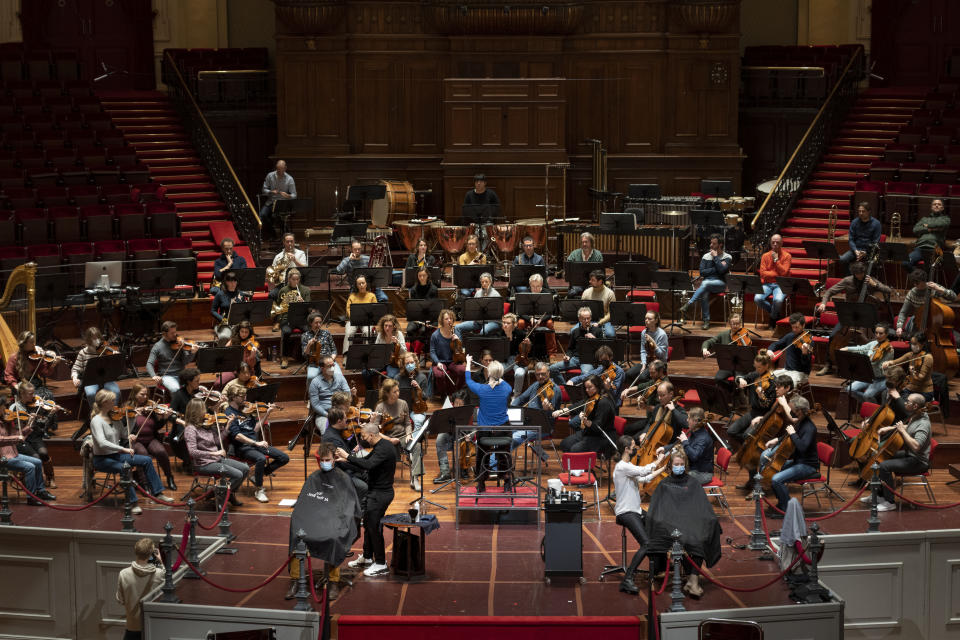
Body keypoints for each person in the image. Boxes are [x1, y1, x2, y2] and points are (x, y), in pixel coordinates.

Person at [287, 441, 361, 601]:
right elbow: (304, 503)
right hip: (313, 521)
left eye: (328, 460)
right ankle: (294, 579)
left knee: (334, 539)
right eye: (322, 460)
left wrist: (336, 521)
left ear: (334, 459)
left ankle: (333, 582)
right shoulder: (314, 477)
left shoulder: (343, 479)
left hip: (333, 522)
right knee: (297, 536)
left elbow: (347, 507)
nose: (324, 463)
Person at [644, 446, 722, 599]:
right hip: (669, 526)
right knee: (684, 539)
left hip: (689, 523)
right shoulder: (664, 484)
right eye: (676, 464)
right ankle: (691, 579)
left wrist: (708, 520)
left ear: (685, 465)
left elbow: (701, 507)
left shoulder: (692, 483)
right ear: (671, 465)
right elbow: (657, 511)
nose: (679, 467)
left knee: (699, 539)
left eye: (681, 465)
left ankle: (692, 579)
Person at [89, 389, 174, 512]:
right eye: (112, 400)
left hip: (115, 456)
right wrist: (123, 449)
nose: (115, 402)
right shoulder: (96, 421)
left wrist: (132, 418)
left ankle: (158, 493)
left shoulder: (114, 417)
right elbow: (102, 443)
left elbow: (124, 434)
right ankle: (133, 503)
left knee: (146, 460)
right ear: (105, 402)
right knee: (125, 467)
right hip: (102, 459)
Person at [338, 423, 397, 577]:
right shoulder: (381, 445)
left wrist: (347, 456)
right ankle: (367, 557)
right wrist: (346, 461)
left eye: (363, 436)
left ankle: (381, 563)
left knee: (374, 527)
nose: (362, 439)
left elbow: (369, 465)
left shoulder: (384, 448)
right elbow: (365, 465)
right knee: (369, 525)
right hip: (375, 492)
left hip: (381, 494)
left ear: (371, 435)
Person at [814, 262, 892, 375]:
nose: (859, 276)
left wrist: (875, 285)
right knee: (832, 336)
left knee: (875, 339)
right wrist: (823, 303)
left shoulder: (870, 279)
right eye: (857, 274)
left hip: (866, 316)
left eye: (861, 274)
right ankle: (828, 365)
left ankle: (872, 366)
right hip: (849, 316)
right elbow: (829, 291)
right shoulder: (848, 280)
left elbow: (888, 290)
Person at [613, 435, 667, 595]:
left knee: (658, 528)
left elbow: (645, 478)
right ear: (626, 449)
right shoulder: (622, 466)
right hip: (626, 512)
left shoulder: (628, 466)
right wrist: (659, 460)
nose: (635, 448)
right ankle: (627, 579)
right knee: (646, 544)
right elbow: (643, 470)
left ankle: (659, 568)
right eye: (633, 446)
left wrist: (663, 468)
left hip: (635, 510)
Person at [862, 393, 931, 511]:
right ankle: (879, 495)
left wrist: (902, 432)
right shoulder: (916, 415)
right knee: (882, 456)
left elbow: (916, 446)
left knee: (884, 466)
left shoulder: (923, 424)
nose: (904, 403)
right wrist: (890, 428)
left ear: (915, 406)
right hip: (910, 455)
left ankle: (890, 502)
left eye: (907, 402)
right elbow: (908, 427)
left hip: (918, 461)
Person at [759, 396, 819, 518]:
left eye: (792, 409)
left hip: (807, 466)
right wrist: (776, 440)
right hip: (798, 462)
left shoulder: (810, 428)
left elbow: (802, 447)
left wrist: (793, 434)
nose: (790, 412)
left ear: (800, 411)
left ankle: (786, 509)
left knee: (776, 479)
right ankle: (782, 503)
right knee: (769, 471)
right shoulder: (800, 421)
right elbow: (788, 435)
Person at [225, 385, 287, 503]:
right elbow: (237, 436)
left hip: (255, 444)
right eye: (242, 396)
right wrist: (256, 443)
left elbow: (255, 429)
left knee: (284, 458)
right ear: (233, 397)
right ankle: (259, 489)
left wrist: (267, 413)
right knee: (261, 459)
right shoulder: (229, 413)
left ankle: (259, 475)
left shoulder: (247, 410)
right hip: (242, 447)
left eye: (245, 395)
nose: (245, 398)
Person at [182, 398, 246, 507]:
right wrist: (214, 453)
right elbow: (193, 452)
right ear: (195, 412)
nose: (206, 412)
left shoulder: (207, 425)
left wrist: (227, 426)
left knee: (245, 469)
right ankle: (221, 495)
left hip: (217, 459)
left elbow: (216, 441)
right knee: (238, 475)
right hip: (204, 464)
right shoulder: (190, 429)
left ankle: (226, 494)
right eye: (203, 410)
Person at [465, 355, 513, 492]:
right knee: (505, 452)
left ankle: (481, 482)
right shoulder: (507, 388)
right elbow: (502, 382)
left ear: (490, 373)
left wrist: (468, 362)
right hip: (503, 430)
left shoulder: (482, 389)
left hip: (485, 431)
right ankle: (507, 480)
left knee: (481, 454)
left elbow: (468, 380)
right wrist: (497, 375)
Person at [0, 400, 55, 504]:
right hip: (4, 458)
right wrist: (16, 437)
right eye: (2, 408)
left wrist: (29, 424)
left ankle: (41, 491)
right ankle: (31, 497)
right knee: (30, 467)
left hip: (14, 454)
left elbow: (19, 435)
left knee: (37, 462)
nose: (5, 410)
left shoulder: (6, 421)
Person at [372, 379, 423, 490]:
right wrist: (389, 440)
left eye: (398, 391)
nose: (398, 393)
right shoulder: (380, 407)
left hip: (402, 436)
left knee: (417, 446)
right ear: (387, 393)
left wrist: (409, 434)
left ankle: (415, 478)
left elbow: (407, 423)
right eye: (394, 391)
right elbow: (374, 429)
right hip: (386, 438)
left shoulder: (403, 403)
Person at [127, 383, 176, 492]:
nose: (145, 397)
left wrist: (165, 418)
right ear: (135, 394)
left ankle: (169, 477)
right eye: (142, 394)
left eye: (146, 394)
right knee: (143, 455)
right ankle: (145, 483)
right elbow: (124, 428)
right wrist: (133, 417)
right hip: (136, 441)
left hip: (150, 438)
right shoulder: (128, 409)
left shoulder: (151, 407)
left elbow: (157, 426)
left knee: (161, 451)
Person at [725, 350, 777, 450]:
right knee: (731, 431)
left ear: (766, 366)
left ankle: (749, 448)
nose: (757, 369)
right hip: (753, 412)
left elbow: (767, 405)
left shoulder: (772, 381)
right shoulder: (755, 375)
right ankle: (747, 446)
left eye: (759, 367)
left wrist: (761, 396)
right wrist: (741, 379)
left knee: (746, 435)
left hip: (764, 415)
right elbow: (740, 377)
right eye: (755, 367)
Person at [116, 537, 165, 640]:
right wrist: (161, 562)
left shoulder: (123, 574)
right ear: (151, 554)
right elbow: (170, 584)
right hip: (151, 626)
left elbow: (120, 600)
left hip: (132, 627)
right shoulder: (159, 574)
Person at [555, 374, 616, 456]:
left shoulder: (603, 402)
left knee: (575, 450)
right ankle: (582, 465)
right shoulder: (590, 399)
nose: (587, 390)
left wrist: (586, 422)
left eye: (590, 387)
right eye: (586, 388)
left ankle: (583, 466)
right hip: (589, 432)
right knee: (565, 444)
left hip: (602, 437)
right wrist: (560, 411)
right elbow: (576, 407)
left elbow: (598, 427)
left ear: (597, 386)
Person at [680, 234, 732, 330]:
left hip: (720, 284)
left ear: (720, 245)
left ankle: (689, 304)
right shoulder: (706, 256)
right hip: (707, 283)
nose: (711, 245)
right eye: (710, 243)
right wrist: (717, 267)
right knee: (704, 291)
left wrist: (716, 258)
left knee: (705, 284)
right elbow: (702, 272)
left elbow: (722, 271)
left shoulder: (727, 256)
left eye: (714, 243)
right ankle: (706, 321)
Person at [510, 362, 560, 451]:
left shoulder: (555, 390)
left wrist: (546, 410)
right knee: (506, 432)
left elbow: (552, 415)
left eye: (543, 374)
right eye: (538, 374)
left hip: (543, 427)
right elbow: (521, 398)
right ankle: (502, 460)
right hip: (528, 423)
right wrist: (512, 407)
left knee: (513, 437)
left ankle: (496, 462)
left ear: (548, 373)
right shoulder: (535, 385)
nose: (540, 377)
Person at [843, 323, 895, 404]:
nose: (878, 335)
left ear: (886, 334)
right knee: (850, 389)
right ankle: (870, 404)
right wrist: (847, 348)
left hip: (881, 379)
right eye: (876, 333)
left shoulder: (889, 350)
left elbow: (879, 366)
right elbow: (861, 348)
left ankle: (874, 413)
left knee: (867, 395)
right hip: (869, 376)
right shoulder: (873, 343)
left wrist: (865, 360)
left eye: (881, 333)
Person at [896, 269, 957, 338]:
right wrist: (899, 327)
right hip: (919, 325)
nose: (916, 285)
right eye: (915, 283)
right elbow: (904, 312)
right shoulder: (912, 293)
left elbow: (953, 297)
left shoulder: (933, 287)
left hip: (935, 324)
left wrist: (939, 289)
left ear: (924, 280)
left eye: (919, 283)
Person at [71, 326, 121, 408]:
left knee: (116, 391)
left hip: (106, 379)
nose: (97, 341)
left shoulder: (105, 350)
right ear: (88, 339)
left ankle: (113, 413)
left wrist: (116, 358)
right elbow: (76, 368)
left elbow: (114, 368)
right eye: (94, 338)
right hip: (91, 380)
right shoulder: (83, 352)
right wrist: (74, 378)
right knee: (91, 394)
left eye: (98, 338)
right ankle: (96, 413)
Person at [549, 306, 598, 385]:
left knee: (586, 374)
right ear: (579, 319)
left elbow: (602, 349)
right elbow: (570, 348)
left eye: (588, 318)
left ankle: (579, 392)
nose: (586, 321)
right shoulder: (575, 331)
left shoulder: (597, 330)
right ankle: (566, 387)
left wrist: (594, 339)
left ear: (591, 318)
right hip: (575, 359)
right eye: (584, 319)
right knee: (552, 368)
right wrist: (568, 356)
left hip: (588, 360)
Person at [273, 267, 311, 368]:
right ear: (289, 279)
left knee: (308, 331)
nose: (295, 281)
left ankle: (307, 356)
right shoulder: (283, 290)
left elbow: (309, 308)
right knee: (286, 332)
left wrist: (303, 302)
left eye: (297, 279)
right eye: (293, 279)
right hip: (287, 318)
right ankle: (284, 357)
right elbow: (278, 306)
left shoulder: (305, 290)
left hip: (301, 318)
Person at [146, 321, 196, 394]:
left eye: (175, 332)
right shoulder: (157, 346)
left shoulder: (180, 343)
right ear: (164, 334)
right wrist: (154, 376)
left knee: (194, 386)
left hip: (181, 374)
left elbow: (186, 361)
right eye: (172, 333)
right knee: (176, 389)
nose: (175, 334)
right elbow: (149, 363)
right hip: (167, 376)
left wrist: (192, 353)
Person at [700, 314, 746, 394]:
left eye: (738, 324)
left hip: (740, 367)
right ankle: (731, 390)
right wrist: (705, 349)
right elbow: (708, 342)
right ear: (729, 324)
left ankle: (741, 398)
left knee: (740, 379)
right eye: (733, 324)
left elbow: (748, 353)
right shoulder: (723, 335)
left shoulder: (744, 335)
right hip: (727, 366)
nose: (736, 326)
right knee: (718, 378)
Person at [883, 331, 934, 401]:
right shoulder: (911, 354)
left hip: (924, 391)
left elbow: (922, 377)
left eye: (915, 344)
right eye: (911, 343)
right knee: (891, 395)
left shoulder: (928, 357)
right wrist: (888, 362)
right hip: (911, 387)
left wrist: (913, 372)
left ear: (922, 344)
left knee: (903, 401)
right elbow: (896, 361)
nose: (912, 346)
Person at [622, 311, 669, 387]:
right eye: (645, 318)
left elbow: (661, 355)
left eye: (649, 319)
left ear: (656, 320)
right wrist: (643, 364)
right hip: (647, 362)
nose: (646, 320)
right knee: (628, 374)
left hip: (659, 363)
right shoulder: (644, 332)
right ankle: (637, 392)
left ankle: (650, 393)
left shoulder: (662, 334)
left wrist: (653, 343)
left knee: (643, 377)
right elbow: (643, 351)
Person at [753, 233, 791, 328]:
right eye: (773, 242)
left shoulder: (787, 256)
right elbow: (762, 273)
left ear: (781, 243)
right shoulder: (765, 256)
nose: (774, 244)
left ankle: (772, 318)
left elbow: (784, 273)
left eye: (777, 242)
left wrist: (776, 261)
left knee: (778, 300)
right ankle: (775, 314)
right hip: (767, 284)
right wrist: (777, 274)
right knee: (757, 298)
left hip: (781, 284)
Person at [335, 239, 389, 303]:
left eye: (359, 249)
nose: (357, 251)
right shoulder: (346, 260)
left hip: (369, 285)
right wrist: (349, 260)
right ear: (351, 249)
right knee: (354, 302)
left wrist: (378, 268)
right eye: (355, 249)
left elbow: (375, 272)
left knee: (384, 299)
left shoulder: (367, 259)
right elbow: (338, 271)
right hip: (356, 287)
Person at [634, 381, 687, 446]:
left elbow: (686, 424)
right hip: (654, 441)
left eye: (662, 395)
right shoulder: (657, 407)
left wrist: (673, 410)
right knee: (636, 439)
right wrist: (645, 432)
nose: (659, 398)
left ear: (671, 394)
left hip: (670, 445)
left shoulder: (678, 409)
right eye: (658, 395)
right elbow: (650, 423)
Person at [309, 355, 351, 433]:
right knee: (328, 432)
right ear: (322, 368)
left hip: (342, 412)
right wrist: (327, 415)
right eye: (329, 366)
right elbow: (315, 405)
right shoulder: (315, 382)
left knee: (352, 430)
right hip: (325, 415)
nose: (332, 368)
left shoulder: (340, 377)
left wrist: (343, 411)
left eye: (333, 365)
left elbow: (347, 393)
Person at [430, 309, 467, 399]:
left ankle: (458, 393)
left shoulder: (456, 332)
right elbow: (432, 351)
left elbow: (461, 350)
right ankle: (444, 395)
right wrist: (437, 362)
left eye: (450, 318)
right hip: (440, 361)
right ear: (442, 320)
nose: (449, 320)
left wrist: (458, 340)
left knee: (463, 370)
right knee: (439, 375)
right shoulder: (435, 335)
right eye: (446, 319)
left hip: (453, 361)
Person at [769, 312, 813, 386]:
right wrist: (770, 350)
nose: (794, 330)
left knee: (786, 385)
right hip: (786, 370)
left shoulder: (808, 340)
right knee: (768, 379)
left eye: (797, 327)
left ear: (803, 325)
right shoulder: (790, 336)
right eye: (793, 327)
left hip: (800, 373)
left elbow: (805, 364)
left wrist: (804, 354)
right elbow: (776, 344)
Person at [491, 312, 529, 394]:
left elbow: (529, 351)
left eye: (508, 323)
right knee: (496, 372)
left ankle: (516, 395)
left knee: (519, 374)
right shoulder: (498, 335)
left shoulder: (521, 334)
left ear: (514, 324)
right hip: (505, 360)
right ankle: (501, 393)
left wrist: (528, 344)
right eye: (504, 322)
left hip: (519, 360)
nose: (505, 325)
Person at [906, 198, 949, 269]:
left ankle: (924, 277)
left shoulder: (946, 219)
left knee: (930, 268)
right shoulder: (924, 219)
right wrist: (931, 229)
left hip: (934, 249)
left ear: (942, 208)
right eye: (934, 204)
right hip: (920, 248)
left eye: (939, 204)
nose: (936, 206)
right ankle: (919, 277)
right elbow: (915, 230)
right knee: (905, 263)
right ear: (931, 207)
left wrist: (926, 225)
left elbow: (941, 224)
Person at [839, 202, 881, 273]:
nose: (861, 213)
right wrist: (855, 251)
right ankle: (849, 278)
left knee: (872, 264)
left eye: (863, 211)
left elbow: (875, 241)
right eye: (859, 211)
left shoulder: (876, 224)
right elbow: (851, 239)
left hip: (869, 252)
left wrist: (866, 252)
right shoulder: (854, 222)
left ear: (869, 212)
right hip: (856, 250)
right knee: (842, 259)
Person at [210, 271, 250, 345]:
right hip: (225, 324)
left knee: (245, 335)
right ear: (226, 282)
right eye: (230, 281)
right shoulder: (220, 294)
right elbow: (213, 310)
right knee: (224, 337)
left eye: (235, 281)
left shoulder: (241, 294)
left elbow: (245, 310)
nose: (233, 284)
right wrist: (222, 319)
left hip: (239, 324)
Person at [260, 160, 296, 237]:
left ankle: (284, 234)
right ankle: (273, 232)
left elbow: (294, 195)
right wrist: (270, 192)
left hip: (282, 203)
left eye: (281, 169)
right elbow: (264, 190)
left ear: (285, 168)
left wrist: (289, 196)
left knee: (276, 216)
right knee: (262, 215)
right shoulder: (270, 175)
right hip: (271, 201)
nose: (279, 171)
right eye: (278, 169)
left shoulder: (289, 179)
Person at [343, 273, 378, 353]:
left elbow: (375, 309)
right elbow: (348, 310)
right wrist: (354, 318)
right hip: (353, 320)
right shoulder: (352, 296)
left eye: (363, 283)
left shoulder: (372, 296)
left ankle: (366, 353)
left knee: (367, 331)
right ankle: (347, 354)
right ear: (356, 286)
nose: (361, 285)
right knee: (349, 332)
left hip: (367, 321)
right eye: (359, 284)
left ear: (366, 284)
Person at [679, 407, 714, 485]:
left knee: (678, 478)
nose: (687, 420)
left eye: (689, 418)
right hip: (693, 469)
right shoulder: (695, 432)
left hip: (702, 474)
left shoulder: (703, 438)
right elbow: (683, 446)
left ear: (695, 421)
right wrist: (664, 448)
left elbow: (694, 456)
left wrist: (685, 441)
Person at [302, 312, 337, 383]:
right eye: (316, 323)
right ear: (310, 323)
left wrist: (331, 360)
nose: (319, 325)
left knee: (336, 375)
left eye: (320, 322)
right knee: (311, 377)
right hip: (314, 363)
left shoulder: (327, 333)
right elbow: (305, 355)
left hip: (329, 362)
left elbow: (334, 350)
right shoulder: (305, 336)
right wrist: (309, 345)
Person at [581, 269, 617, 339]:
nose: (590, 281)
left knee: (610, 334)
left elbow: (611, 313)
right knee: (573, 331)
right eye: (590, 279)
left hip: (604, 321)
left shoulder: (610, 293)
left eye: (592, 280)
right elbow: (582, 309)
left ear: (600, 281)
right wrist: (586, 320)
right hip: (587, 319)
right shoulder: (586, 292)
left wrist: (599, 323)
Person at [565, 232, 603, 297]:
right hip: (577, 284)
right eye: (582, 242)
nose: (584, 244)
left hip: (593, 285)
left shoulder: (598, 255)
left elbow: (600, 273)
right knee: (571, 293)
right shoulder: (574, 253)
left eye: (586, 242)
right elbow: (567, 268)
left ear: (591, 243)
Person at [375, 314, 406, 379]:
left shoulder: (399, 334)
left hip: (393, 363)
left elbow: (404, 352)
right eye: (385, 325)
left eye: (390, 326)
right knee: (366, 372)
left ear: (394, 326)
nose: (387, 328)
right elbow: (375, 349)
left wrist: (398, 343)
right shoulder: (380, 334)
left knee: (391, 376)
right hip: (382, 362)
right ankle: (371, 389)